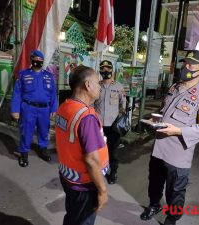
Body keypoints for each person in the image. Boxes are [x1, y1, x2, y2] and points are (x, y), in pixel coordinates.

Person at [140, 50, 199, 225]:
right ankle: (154, 205)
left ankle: (171, 219)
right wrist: (156, 119)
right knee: (154, 182)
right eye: (185, 63)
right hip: (159, 148)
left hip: (179, 154)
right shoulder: (174, 88)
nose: (186, 67)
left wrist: (179, 131)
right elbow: (163, 111)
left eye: (191, 64)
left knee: (175, 191)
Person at [55, 65, 109, 225]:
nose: (100, 86)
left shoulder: (64, 107)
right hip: (84, 184)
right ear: (87, 85)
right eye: (97, 82)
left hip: (68, 177)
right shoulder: (86, 117)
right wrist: (103, 190)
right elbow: (91, 160)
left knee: (73, 216)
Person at [11, 50, 57, 167]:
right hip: (28, 108)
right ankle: (24, 153)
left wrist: (53, 108)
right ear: (31, 60)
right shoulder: (23, 74)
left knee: (43, 131)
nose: (37, 62)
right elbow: (17, 93)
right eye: (35, 60)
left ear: (43, 62)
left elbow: (53, 94)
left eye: (40, 61)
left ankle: (43, 149)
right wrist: (15, 110)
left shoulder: (49, 76)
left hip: (44, 110)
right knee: (26, 131)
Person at [94, 60, 126, 184]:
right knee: (97, 150)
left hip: (113, 126)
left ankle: (113, 172)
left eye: (108, 68)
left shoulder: (118, 86)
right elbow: (91, 103)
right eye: (103, 69)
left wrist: (121, 114)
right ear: (100, 70)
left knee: (112, 151)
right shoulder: (97, 86)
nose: (106, 71)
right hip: (98, 125)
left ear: (112, 70)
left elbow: (123, 104)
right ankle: (98, 171)